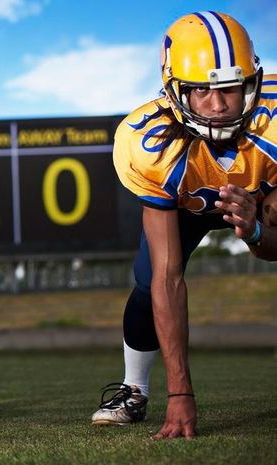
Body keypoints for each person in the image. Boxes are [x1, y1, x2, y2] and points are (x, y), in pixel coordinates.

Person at [91, 11, 277, 439]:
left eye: (230, 87)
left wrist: (255, 231)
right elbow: (168, 278)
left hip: (262, 198)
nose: (218, 104)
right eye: (200, 90)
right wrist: (180, 394)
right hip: (186, 207)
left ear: (252, 81)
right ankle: (134, 389)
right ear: (176, 90)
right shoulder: (150, 143)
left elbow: (272, 250)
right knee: (147, 280)